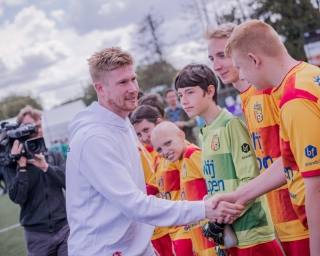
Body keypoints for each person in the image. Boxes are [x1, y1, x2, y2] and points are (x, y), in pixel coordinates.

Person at [65, 47, 244, 256]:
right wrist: (204, 208)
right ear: (100, 89)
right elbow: (135, 205)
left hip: (136, 249)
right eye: (122, 82)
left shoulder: (122, 125)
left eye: (133, 79)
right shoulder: (94, 138)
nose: (132, 88)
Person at [210, 19, 320, 256]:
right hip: (291, 217)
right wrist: (239, 196)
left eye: (223, 56)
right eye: (212, 58)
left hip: (303, 218)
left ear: (253, 58)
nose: (217, 66)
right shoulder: (303, 78)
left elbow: (308, 173)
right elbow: (292, 157)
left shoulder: (285, 94)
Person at [175, 63, 283, 255]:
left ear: (210, 91)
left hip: (252, 232)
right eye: (180, 95)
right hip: (230, 235)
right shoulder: (205, 133)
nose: (183, 101)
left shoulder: (230, 125)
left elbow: (250, 179)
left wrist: (222, 217)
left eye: (190, 92)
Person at [3, 105, 69, 256]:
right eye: (30, 127)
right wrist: (22, 167)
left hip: (65, 228)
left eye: (38, 126)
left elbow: (69, 183)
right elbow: (18, 197)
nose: (36, 131)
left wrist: (46, 167)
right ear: (20, 130)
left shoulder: (54, 156)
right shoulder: (12, 165)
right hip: (37, 235)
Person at [130, 104, 194, 256]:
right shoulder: (159, 157)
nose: (144, 137)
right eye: (138, 134)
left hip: (188, 228)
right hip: (173, 229)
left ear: (158, 123)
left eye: (146, 130)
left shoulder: (184, 151)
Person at [151, 121, 217, 256]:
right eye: (159, 149)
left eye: (168, 143)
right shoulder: (180, 161)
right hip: (200, 236)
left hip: (212, 234)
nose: (165, 152)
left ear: (181, 135)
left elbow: (216, 187)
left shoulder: (192, 154)